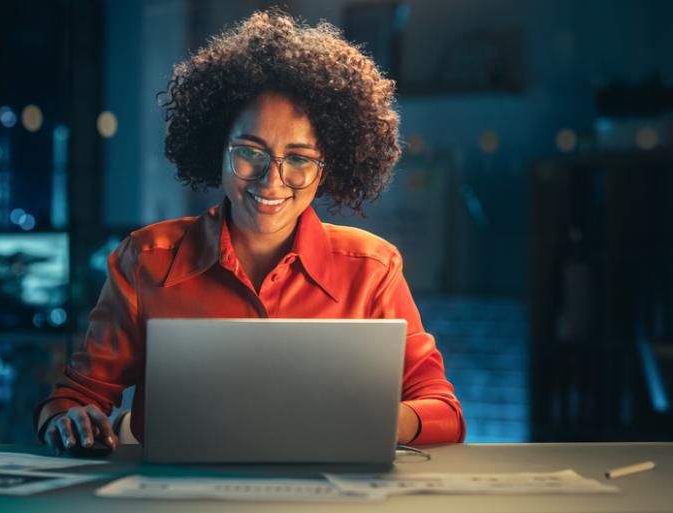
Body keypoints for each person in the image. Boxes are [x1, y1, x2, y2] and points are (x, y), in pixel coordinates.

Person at [35, 9, 465, 455]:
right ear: (216, 149)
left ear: (327, 168)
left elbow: (444, 411)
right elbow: (73, 399)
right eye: (249, 152)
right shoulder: (147, 260)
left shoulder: (372, 268)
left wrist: (381, 421)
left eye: (298, 158)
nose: (271, 181)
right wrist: (70, 419)